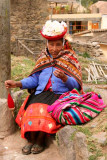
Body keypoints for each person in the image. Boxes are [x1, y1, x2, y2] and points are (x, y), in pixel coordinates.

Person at [5, 20, 82, 155]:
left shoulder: (70, 57)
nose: (54, 48)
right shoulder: (43, 57)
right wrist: (18, 83)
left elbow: (76, 84)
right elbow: (34, 79)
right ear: (47, 44)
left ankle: (40, 141)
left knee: (46, 111)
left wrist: (65, 78)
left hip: (59, 95)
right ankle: (30, 139)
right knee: (31, 109)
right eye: (51, 44)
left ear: (63, 44)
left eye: (58, 44)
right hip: (41, 93)